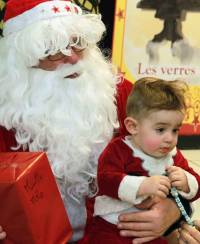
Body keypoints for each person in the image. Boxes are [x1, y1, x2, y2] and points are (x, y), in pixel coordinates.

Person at [0, 0, 191, 242]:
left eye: (78, 42)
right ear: (20, 62)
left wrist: (175, 210)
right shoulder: (5, 112)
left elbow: (174, 164)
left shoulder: (120, 94)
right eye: (53, 49)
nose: (71, 58)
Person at [87, 77, 200, 244]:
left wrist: (186, 182)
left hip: (155, 233)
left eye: (175, 130)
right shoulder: (119, 149)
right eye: (161, 129)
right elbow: (105, 180)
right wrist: (141, 186)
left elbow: (196, 185)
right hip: (115, 225)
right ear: (133, 126)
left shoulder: (172, 155)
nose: (170, 138)